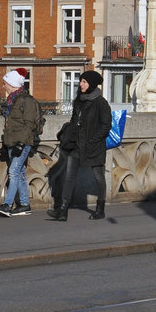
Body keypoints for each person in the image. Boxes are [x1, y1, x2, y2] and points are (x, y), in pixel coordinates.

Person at [48, 70, 112, 222]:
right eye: (81, 81)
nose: (81, 84)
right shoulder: (78, 100)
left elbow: (106, 126)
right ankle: (63, 210)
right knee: (69, 176)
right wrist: (69, 135)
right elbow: (73, 120)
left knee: (98, 177)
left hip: (94, 147)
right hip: (76, 145)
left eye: (84, 82)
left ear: (92, 84)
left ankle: (100, 208)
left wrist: (93, 140)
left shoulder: (101, 103)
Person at [0, 69, 42, 217]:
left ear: (13, 84)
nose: (4, 86)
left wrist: (21, 143)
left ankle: (7, 205)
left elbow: (29, 124)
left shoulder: (27, 101)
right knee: (20, 172)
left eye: (5, 83)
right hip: (11, 141)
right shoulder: (12, 100)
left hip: (22, 141)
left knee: (13, 172)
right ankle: (24, 204)